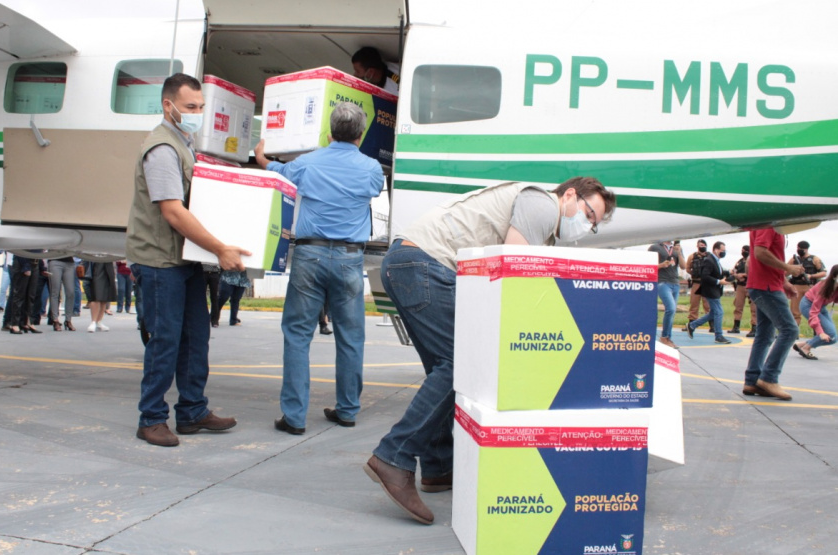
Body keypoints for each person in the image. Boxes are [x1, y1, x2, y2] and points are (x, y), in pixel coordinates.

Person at [364, 176, 615, 525]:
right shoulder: (542, 204)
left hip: (408, 262)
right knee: (460, 365)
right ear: (570, 195)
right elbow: (510, 275)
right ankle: (394, 456)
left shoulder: (539, 221)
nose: (587, 226)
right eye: (589, 214)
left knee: (443, 365)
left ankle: (438, 467)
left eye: (594, 225)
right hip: (424, 265)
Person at [127, 72, 249, 447]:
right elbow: (173, 213)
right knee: (165, 340)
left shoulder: (185, 143)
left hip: (184, 260)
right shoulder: (162, 149)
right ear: (169, 106)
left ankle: (193, 411)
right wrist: (220, 249)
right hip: (160, 261)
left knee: (196, 338)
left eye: (200, 107)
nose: (196, 113)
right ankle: (151, 418)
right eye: (189, 107)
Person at [255, 101, 384, 436]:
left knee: (298, 335)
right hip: (349, 258)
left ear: (329, 132)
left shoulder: (308, 163)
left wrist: (263, 158)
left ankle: (294, 417)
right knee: (351, 337)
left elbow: (278, 174)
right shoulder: (371, 169)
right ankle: (347, 410)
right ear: (360, 135)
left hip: (310, 257)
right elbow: (373, 191)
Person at [742, 228, 804, 401]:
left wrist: (783, 281)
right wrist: (788, 268)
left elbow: (755, 259)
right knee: (790, 330)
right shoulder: (770, 225)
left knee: (764, 335)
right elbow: (760, 252)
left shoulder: (771, 225)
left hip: (765, 285)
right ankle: (769, 378)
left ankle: (752, 380)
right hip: (766, 287)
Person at [686, 241, 732, 344]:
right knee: (719, 312)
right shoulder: (709, 260)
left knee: (712, 313)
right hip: (710, 290)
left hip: (714, 290)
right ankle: (718, 336)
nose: (724, 252)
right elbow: (705, 276)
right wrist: (719, 281)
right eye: (722, 250)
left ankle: (692, 325)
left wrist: (728, 273)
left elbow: (716, 272)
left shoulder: (716, 260)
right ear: (716, 250)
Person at [793, 264, 838, 360]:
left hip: (822, 307)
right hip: (808, 305)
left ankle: (801, 345)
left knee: (833, 337)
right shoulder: (824, 287)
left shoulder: (836, 287)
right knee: (831, 334)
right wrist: (820, 332)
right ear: (835, 276)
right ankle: (806, 348)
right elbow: (814, 312)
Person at [649, 240, 685, 349]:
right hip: (662, 282)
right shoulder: (655, 247)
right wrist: (661, 265)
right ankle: (664, 337)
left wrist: (679, 253)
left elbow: (684, 266)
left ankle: (668, 337)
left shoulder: (676, 248)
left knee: (672, 312)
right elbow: (648, 265)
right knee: (671, 308)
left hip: (675, 282)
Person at [788, 240, 826, 326]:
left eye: (801, 249)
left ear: (806, 249)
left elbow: (823, 273)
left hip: (810, 286)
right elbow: (786, 270)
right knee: (794, 310)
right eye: (798, 248)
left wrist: (811, 276)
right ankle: (795, 330)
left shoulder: (814, 259)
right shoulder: (794, 259)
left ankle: (817, 330)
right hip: (796, 286)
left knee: (813, 309)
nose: (799, 250)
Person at [7, 253, 46, 335]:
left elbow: (38, 250)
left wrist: (42, 266)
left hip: (35, 262)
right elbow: (20, 248)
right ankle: (14, 324)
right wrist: (25, 266)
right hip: (22, 262)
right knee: (19, 295)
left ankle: (28, 322)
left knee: (31, 295)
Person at [728, 245, 757, 336]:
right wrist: (736, 275)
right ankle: (736, 327)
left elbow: (755, 272)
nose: (743, 252)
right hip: (740, 286)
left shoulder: (753, 260)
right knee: (738, 306)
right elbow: (734, 271)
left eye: (745, 250)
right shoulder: (740, 262)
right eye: (742, 250)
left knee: (754, 308)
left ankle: (754, 328)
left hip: (750, 285)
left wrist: (744, 275)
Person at [683, 239, 711, 332]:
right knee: (694, 304)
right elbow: (687, 268)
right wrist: (694, 273)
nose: (702, 246)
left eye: (704, 245)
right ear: (697, 246)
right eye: (700, 245)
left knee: (708, 305)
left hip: (706, 284)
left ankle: (713, 326)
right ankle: (691, 324)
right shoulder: (692, 256)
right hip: (696, 282)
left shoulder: (709, 256)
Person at [85, 261, 116, 332]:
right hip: (96, 263)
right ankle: (93, 321)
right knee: (96, 295)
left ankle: (98, 321)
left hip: (108, 263)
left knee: (104, 297)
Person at [48, 256, 76, 331]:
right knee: (55, 291)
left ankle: (68, 319)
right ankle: (55, 320)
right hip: (55, 260)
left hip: (69, 261)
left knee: (71, 292)